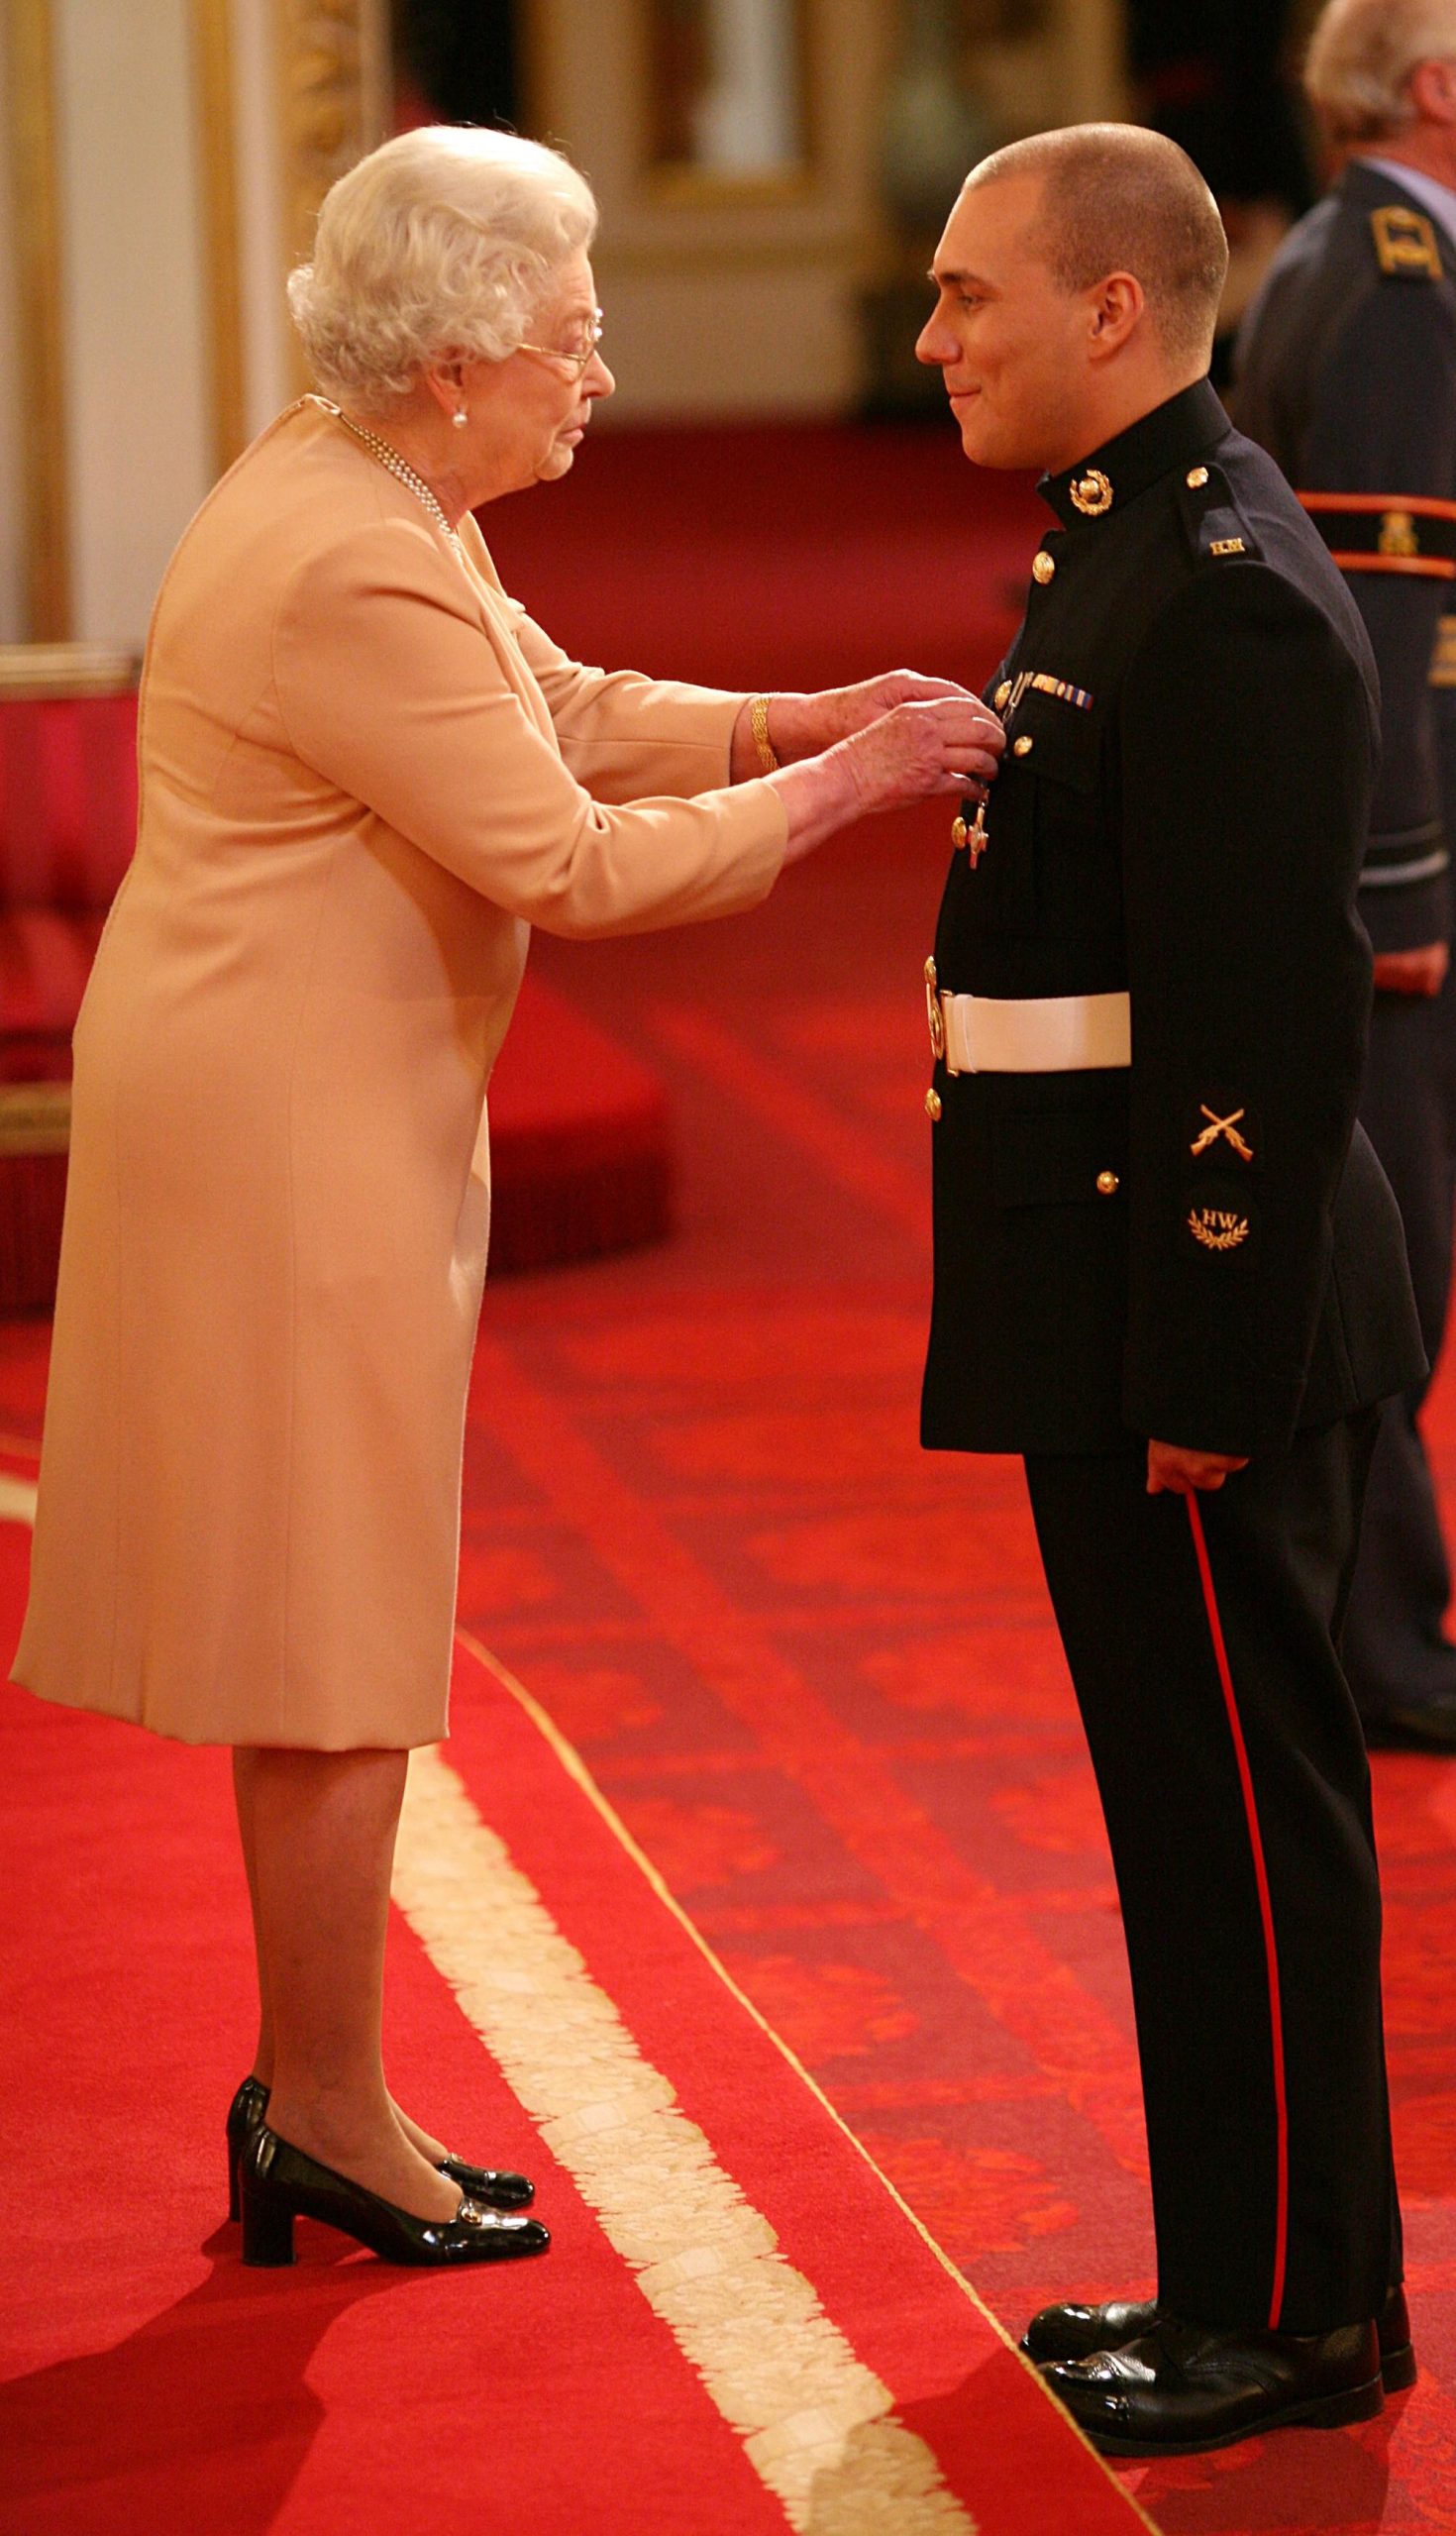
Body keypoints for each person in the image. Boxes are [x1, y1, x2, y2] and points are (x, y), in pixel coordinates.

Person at [12, 125, 1003, 2272]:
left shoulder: (370, 479)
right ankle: (328, 2107)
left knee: (333, 1619)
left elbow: (552, 708)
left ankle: (321, 2087)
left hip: (307, 1102)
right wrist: (849, 787)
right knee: (332, 1631)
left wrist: (784, 716)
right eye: (574, 331)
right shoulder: (355, 538)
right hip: (285, 1136)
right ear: (457, 350)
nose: (603, 371)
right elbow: (564, 857)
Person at [916, 124, 1424, 2454]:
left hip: (1199, 1320)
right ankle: (1231, 2274)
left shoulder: (1212, 578)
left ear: (1111, 310)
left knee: (1251, 1812)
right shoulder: (1118, 549)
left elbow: (1258, 1028)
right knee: (1178, 1817)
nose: (932, 341)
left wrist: (1202, 1357)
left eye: (966, 297)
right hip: (1114, 1301)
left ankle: (1313, 2316)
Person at [1235, 0, 1456, 1752]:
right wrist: (1398, 886)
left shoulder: (1349, 251)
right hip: (1402, 861)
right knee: (1400, 1251)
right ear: (1435, 89)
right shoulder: (1389, 277)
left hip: (1402, 843)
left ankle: (1376, 1623)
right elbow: (1383, 612)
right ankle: (1384, 1645)